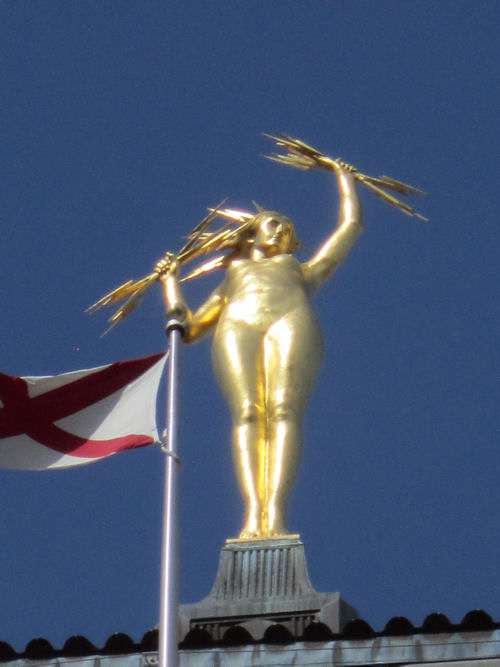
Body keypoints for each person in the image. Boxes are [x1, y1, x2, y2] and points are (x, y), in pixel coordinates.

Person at [157, 162, 362, 539]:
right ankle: (253, 514)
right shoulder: (232, 277)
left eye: (289, 230)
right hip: (238, 323)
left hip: (290, 318)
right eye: (274, 224)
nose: (282, 231)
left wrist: (344, 178)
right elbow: (189, 328)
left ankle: (276, 514)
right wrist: (170, 283)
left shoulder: (301, 270)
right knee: (248, 413)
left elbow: (350, 227)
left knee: (284, 409)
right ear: (251, 234)